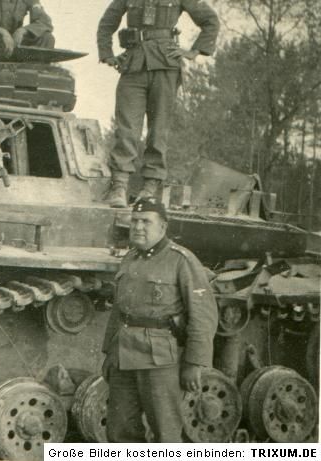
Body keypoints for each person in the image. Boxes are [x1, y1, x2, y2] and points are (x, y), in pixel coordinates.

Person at [101, 198, 217, 442]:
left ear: (163, 226)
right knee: (119, 431)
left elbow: (202, 315)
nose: (138, 227)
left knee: (166, 433)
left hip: (161, 361)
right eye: (134, 221)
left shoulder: (181, 261)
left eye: (146, 222)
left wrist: (195, 363)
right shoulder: (130, 258)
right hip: (124, 358)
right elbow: (120, 311)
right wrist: (109, 353)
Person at [96, 0, 219, 207]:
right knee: (127, 128)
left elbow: (210, 20)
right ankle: (119, 186)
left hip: (166, 66)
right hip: (133, 65)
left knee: (159, 129)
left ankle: (150, 187)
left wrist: (193, 52)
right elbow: (107, 23)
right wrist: (107, 54)